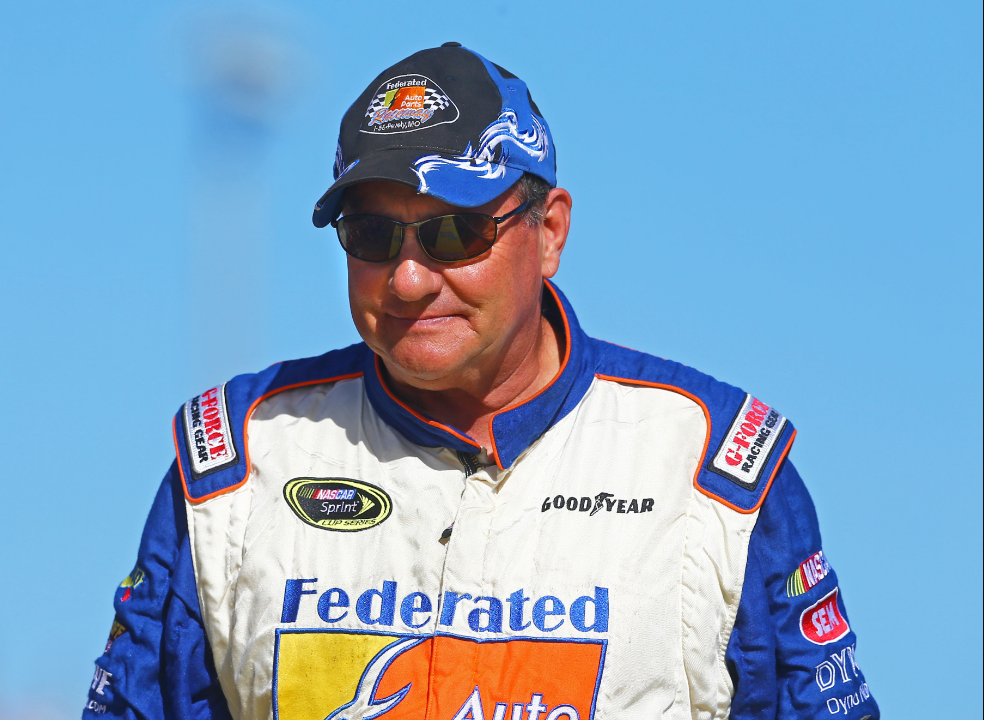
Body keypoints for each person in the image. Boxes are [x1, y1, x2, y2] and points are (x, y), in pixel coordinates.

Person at [82, 43, 878, 720]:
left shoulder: (715, 469)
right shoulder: (235, 465)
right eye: (372, 235)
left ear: (551, 230)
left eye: (454, 232)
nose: (407, 279)